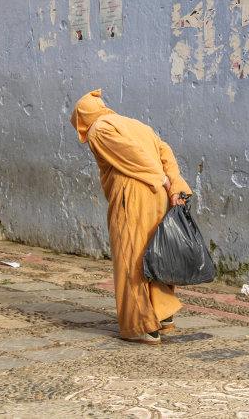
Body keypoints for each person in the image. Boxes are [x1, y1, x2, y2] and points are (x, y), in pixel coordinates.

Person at [70, 89, 192, 344]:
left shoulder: (98, 130)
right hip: (158, 195)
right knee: (155, 252)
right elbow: (164, 150)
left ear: (82, 117)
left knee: (130, 257)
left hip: (133, 195)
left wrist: (163, 180)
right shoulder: (135, 124)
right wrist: (174, 184)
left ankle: (141, 326)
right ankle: (162, 313)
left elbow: (132, 156)